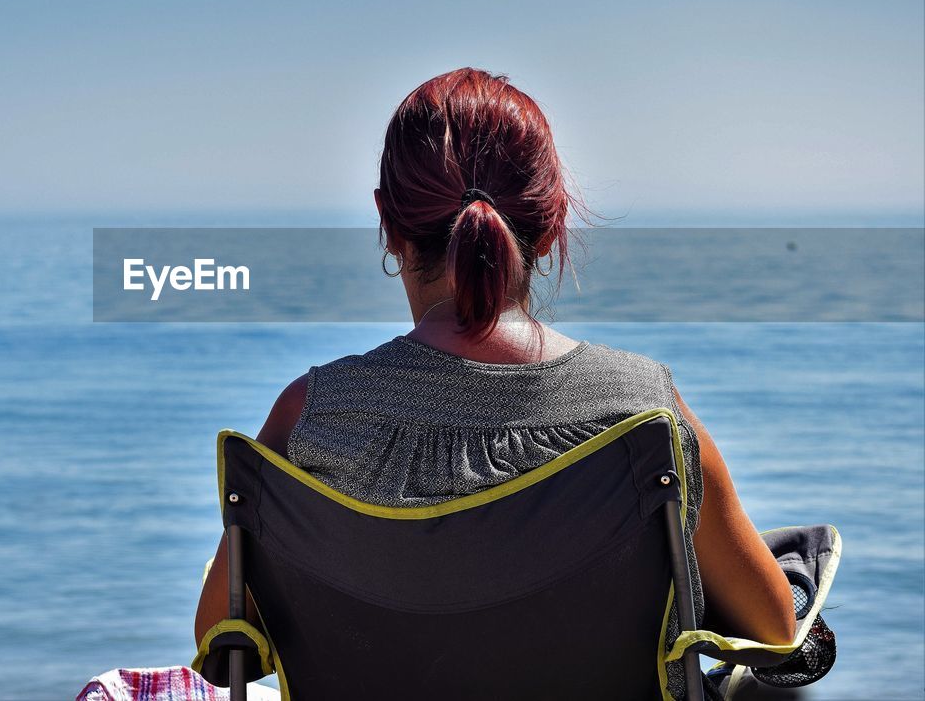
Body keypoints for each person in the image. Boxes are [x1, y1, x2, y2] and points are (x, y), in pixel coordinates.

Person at [193, 67, 796, 667]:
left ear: (388, 220)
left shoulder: (313, 418)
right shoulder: (642, 413)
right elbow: (774, 628)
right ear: (552, 218)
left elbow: (220, 641)